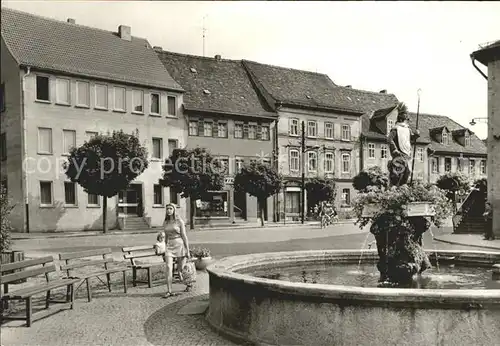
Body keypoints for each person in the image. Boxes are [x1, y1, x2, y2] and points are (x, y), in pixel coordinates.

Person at [387, 103, 420, 186]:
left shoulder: (407, 129)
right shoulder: (395, 128)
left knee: (406, 172)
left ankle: (401, 188)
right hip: (398, 154)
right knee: (398, 173)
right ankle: (396, 188)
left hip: (406, 154)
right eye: (404, 114)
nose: (406, 116)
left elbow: (410, 139)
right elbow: (389, 139)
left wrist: (416, 135)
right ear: (400, 116)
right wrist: (394, 149)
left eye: (406, 114)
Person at [162, 203, 191, 298]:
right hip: (169, 246)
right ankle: (169, 291)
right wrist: (164, 248)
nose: (169, 210)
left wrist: (187, 250)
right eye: (167, 209)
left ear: (174, 210)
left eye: (170, 208)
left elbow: (184, 236)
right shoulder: (165, 222)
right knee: (168, 268)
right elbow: (165, 236)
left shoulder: (179, 221)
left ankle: (188, 284)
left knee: (181, 269)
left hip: (179, 244)